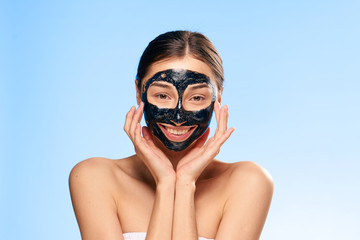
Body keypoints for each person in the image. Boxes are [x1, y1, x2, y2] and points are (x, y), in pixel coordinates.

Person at [69, 30, 274, 240]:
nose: (178, 117)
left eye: (196, 97)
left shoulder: (248, 182)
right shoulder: (94, 177)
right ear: (139, 91)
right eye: (162, 95)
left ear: (218, 96)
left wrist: (185, 184)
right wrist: (166, 185)